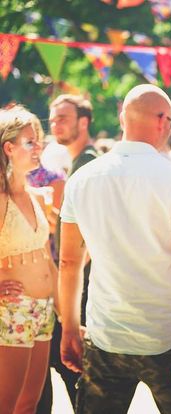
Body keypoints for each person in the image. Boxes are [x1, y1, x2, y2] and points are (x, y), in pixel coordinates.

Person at [57, 85, 171, 413]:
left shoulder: (83, 178)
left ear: (122, 118)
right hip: (167, 336)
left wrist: (69, 327)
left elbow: (69, 261)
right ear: (161, 121)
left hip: (105, 336)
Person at [37, 94, 100, 413]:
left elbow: (88, 238)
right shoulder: (75, 163)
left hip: (78, 291)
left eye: (63, 117)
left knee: (79, 381)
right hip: (70, 288)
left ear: (83, 122)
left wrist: (66, 286)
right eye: (53, 118)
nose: (56, 124)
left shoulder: (88, 162)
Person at [0, 106, 58, 414]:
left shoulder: (38, 197)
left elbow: (49, 259)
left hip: (43, 310)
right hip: (11, 310)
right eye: (30, 142)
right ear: (9, 148)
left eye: (39, 141)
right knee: (6, 405)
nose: (39, 148)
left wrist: (68, 317)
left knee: (29, 404)